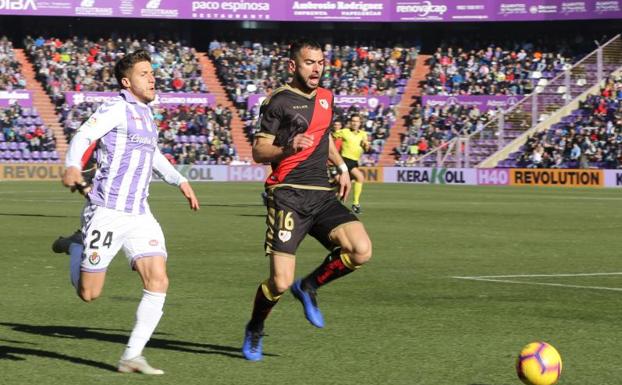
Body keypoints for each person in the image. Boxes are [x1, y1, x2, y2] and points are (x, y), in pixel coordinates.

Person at [59, 49, 200, 374]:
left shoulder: (146, 115)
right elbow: (84, 135)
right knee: (89, 294)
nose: (152, 78)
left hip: (139, 213)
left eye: (152, 73)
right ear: (126, 81)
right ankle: (76, 246)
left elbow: (152, 155)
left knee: (158, 279)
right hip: (107, 211)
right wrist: (71, 165)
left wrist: (180, 181)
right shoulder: (116, 108)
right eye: (144, 74)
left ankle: (131, 356)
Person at [241, 38, 372, 361]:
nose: (316, 69)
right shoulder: (278, 101)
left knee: (361, 250)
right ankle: (256, 326)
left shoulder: (327, 98)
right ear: (292, 66)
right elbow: (259, 151)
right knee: (280, 281)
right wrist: (289, 148)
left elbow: (324, 136)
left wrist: (340, 166)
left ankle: (310, 286)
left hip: (322, 193)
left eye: (320, 62)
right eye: (309, 62)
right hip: (287, 195)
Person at [332, 113, 370, 213]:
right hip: (344, 160)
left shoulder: (363, 134)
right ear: (350, 122)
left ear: (360, 123)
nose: (354, 123)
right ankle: (353, 204)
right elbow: (332, 136)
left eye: (356, 121)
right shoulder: (345, 131)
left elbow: (366, 148)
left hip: (353, 162)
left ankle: (354, 204)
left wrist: (366, 145)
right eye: (353, 121)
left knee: (349, 182)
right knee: (345, 184)